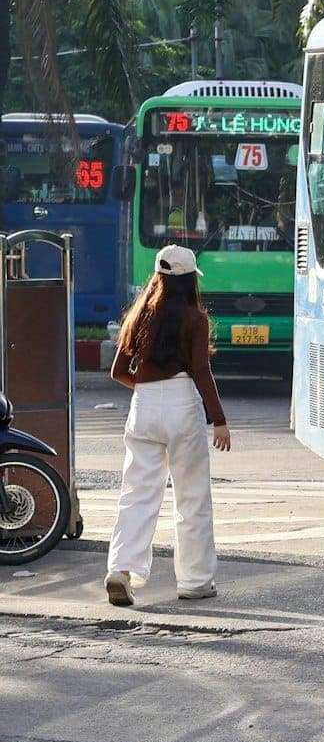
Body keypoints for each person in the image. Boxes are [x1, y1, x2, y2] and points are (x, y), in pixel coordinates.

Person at [104, 244, 230, 607]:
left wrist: (147, 390)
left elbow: (117, 372)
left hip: (142, 405)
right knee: (191, 497)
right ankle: (194, 580)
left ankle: (121, 570)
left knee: (136, 494)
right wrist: (219, 420)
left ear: (158, 278)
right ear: (190, 280)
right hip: (182, 405)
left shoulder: (139, 316)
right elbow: (201, 372)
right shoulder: (195, 318)